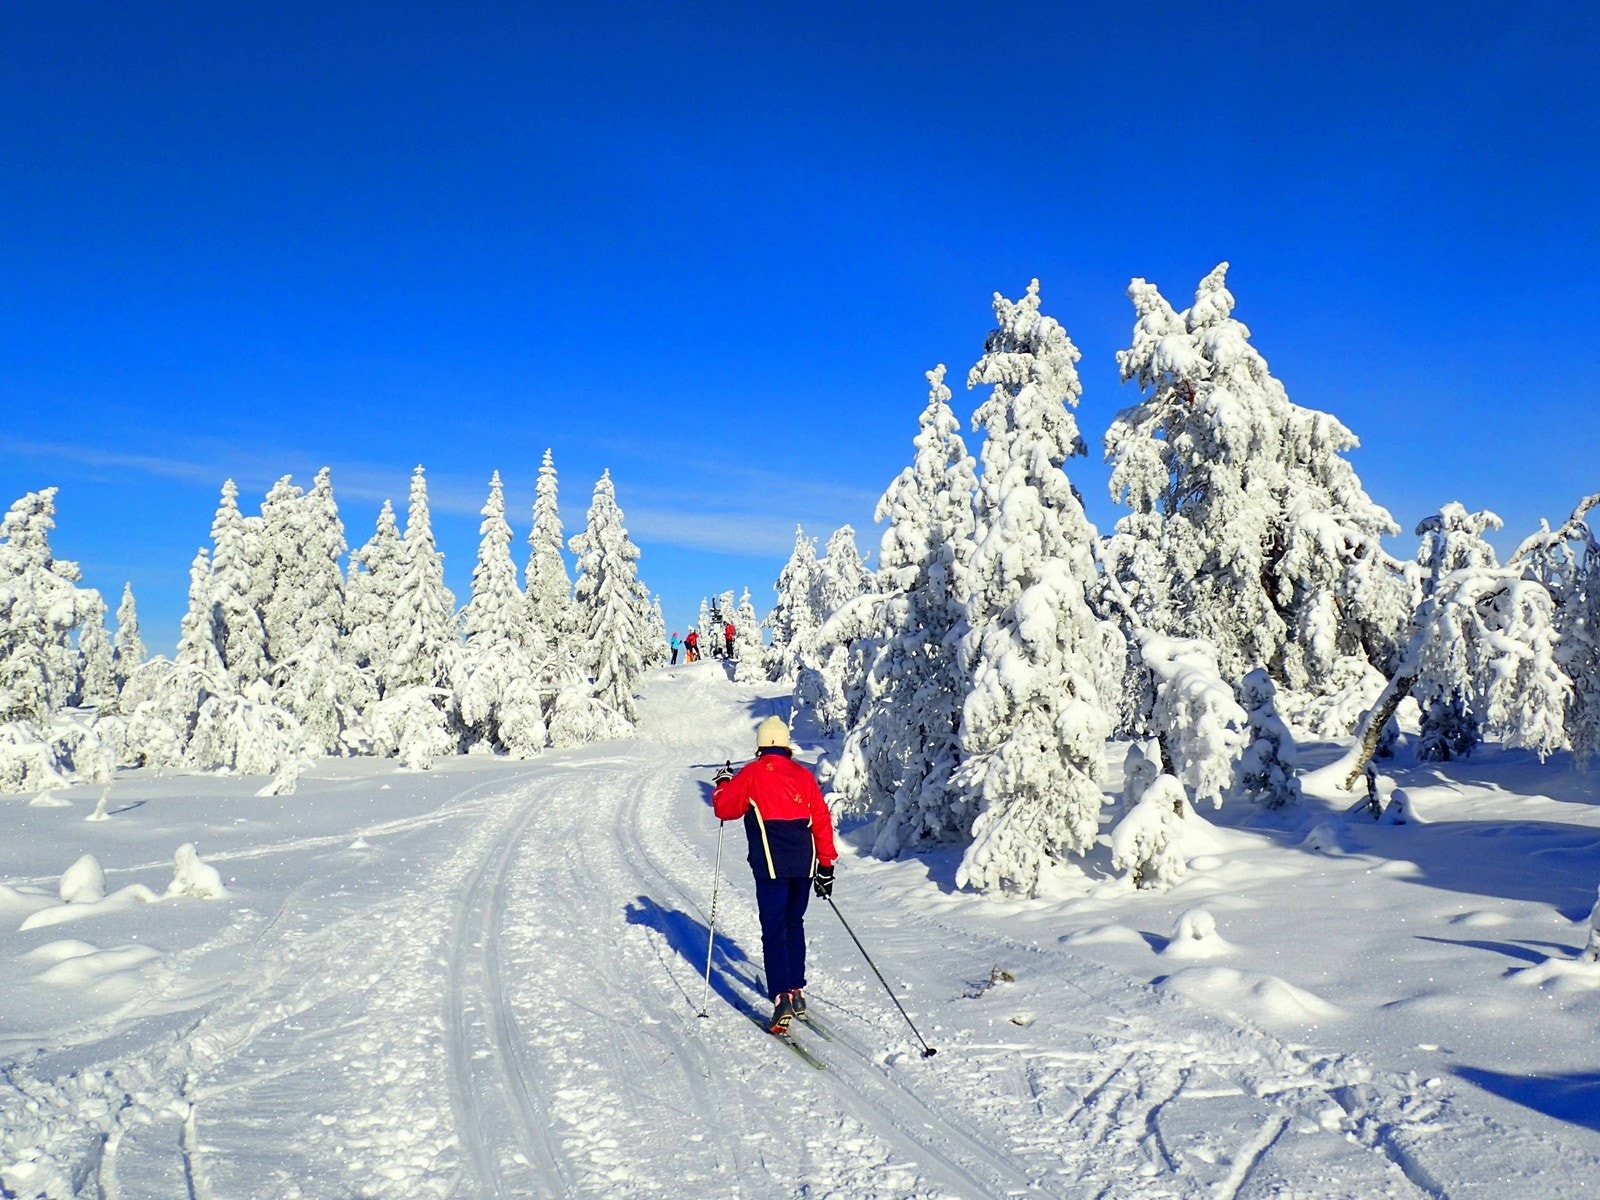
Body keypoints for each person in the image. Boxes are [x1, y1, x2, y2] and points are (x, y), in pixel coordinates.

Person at [713, 716, 837, 1034]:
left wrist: (723, 784)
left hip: (771, 865)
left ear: (760, 746)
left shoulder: (752, 773)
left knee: (774, 929)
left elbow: (725, 808)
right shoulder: (803, 775)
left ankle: (781, 995)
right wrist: (826, 866)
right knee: (794, 923)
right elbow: (821, 819)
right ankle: (797, 991)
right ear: (786, 745)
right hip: (804, 864)